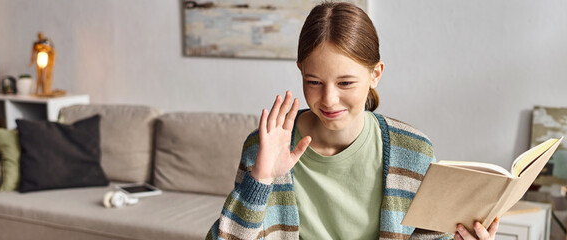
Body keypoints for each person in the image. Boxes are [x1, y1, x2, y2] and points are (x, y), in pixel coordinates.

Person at [206, 2, 499, 240]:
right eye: (314, 81)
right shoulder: (265, 146)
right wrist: (261, 180)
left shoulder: (413, 151)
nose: (329, 99)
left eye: (345, 83)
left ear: (376, 74)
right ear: (300, 71)